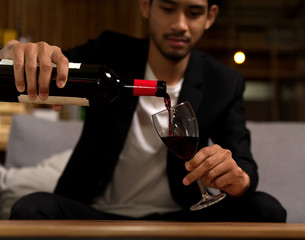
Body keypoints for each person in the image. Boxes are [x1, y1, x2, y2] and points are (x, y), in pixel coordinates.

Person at [0, 0, 286, 221]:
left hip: (182, 216)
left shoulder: (223, 82)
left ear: (210, 16)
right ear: (146, 6)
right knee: (32, 206)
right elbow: (56, 63)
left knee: (266, 209)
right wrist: (12, 51)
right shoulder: (109, 51)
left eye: (194, 13)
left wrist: (238, 178)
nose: (180, 24)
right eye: (168, 8)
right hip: (95, 212)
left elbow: (245, 163)